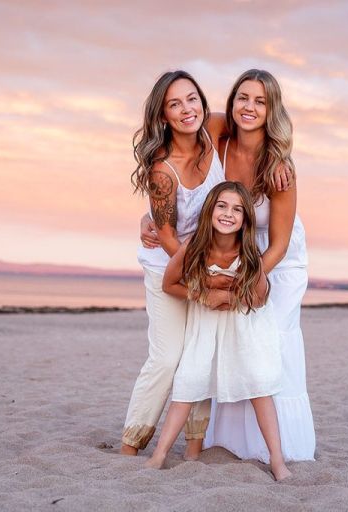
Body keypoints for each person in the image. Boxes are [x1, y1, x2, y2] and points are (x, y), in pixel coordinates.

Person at [141, 69, 315, 463]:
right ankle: (232, 441)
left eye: (260, 101)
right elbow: (173, 158)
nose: (249, 108)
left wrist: (248, 279)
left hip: (274, 256)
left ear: (272, 110)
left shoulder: (279, 167)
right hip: (227, 245)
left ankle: (282, 448)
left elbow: (282, 243)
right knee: (231, 336)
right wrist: (149, 216)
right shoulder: (217, 131)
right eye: (243, 98)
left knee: (271, 339)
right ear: (231, 102)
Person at [145, 181, 292, 481]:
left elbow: (261, 296)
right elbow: (169, 284)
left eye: (237, 209)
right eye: (222, 206)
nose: (228, 214)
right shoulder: (194, 248)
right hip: (206, 327)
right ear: (210, 210)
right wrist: (202, 296)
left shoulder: (249, 253)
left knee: (259, 384)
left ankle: (278, 461)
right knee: (188, 382)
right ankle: (159, 455)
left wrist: (225, 296)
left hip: (244, 329)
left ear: (245, 220)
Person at [121, 70, 225, 457]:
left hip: (208, 261)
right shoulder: (163, 170)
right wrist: (199, 278)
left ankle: (194, 447)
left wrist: (281, 158)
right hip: (168, 263)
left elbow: (258, 129)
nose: (187, 110)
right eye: (175, 104)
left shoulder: (215, 127)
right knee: (166, 358)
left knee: (201, 353)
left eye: (192, 98)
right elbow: (166, 238)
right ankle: (132, 443)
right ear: (163, 116)